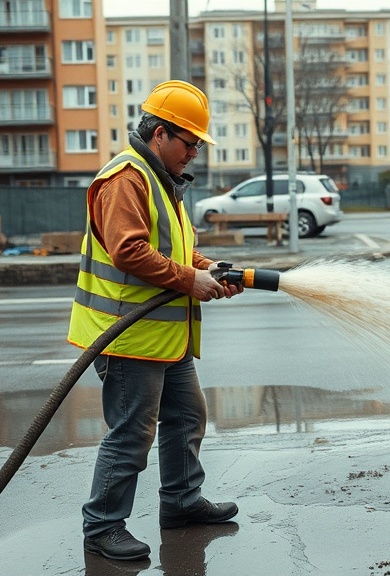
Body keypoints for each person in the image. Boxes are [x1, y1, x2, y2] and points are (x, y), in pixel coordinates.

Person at [67, 80, 242, 562]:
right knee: (132, 433)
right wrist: (189, 280)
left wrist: (207, 268)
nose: (194, 154)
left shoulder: (160, 178)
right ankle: (102, 526)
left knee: (187, 416)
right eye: (190, 143)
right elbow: (129, 251)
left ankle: (182, 502)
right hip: (127, 335)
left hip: (163, 336)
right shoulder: (126, 178)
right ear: (160, 134)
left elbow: (174, 250)